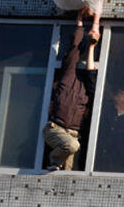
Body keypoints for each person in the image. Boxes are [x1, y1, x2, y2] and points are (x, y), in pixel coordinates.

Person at [43, 26, 98, 171]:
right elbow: (74, 52)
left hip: (73, 134)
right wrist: (79, 25)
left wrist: (92, 46)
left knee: (67, 173)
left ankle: (56, 165)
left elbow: (91, 75)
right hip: (56, 129)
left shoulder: (87, 90)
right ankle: (54, 161)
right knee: (72, 146)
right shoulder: (68, 78)